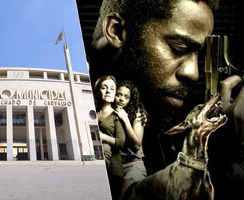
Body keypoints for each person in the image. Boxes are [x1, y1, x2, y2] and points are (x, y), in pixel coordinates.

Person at [88, 0, 244, 199]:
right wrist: (238, 163)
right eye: (178, 48)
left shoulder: (149, 107)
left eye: (198, 55)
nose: (193, 73)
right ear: (117, 31)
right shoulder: (84, 112)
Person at [113, 80, 148, 196]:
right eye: (119, 94)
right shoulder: (109, 111)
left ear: (130, 99)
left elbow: (137, 144)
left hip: (133, 166)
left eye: (126, 97)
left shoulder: (138, 113)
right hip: (115, 167)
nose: (121, 99)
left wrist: (125, 119)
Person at [94, 75, 125, 200]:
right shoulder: (93, 112)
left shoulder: (117, 115)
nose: (108, 91)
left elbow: (121, 142)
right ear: (98, 91)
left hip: (113, 169)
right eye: (104, 88)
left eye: (112, 89)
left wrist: (103, 137)